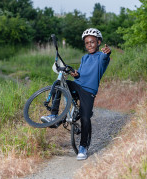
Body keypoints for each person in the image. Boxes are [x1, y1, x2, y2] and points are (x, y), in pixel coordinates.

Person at [41, 28, 111, 160]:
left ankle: (83, 147)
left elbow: (105, 56)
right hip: (77, 85)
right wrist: (76, 74)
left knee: (85, 118)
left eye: (92, 42)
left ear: (99, 42)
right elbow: (81, 74)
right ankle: (54, 115)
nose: (89, 45)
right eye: (86, 43)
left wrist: (108, 52)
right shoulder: (84, 58)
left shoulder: (101, 57)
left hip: (89, 91)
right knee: (59, 84)